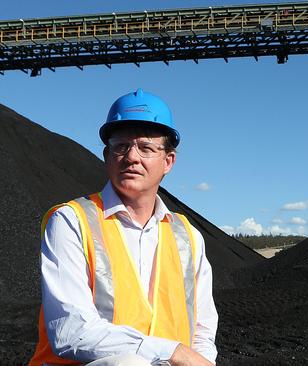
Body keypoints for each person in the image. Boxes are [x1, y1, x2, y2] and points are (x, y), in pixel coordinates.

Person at [29, 89, 218, 366]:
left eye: (146, 147)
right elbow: (71, 332)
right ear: (107, 155)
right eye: (121, 146)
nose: (132, 157)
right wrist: (173, 352)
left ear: (168, 161)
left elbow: (202, 329)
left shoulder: (188, 237)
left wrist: (197, 359)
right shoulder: (71, 221)